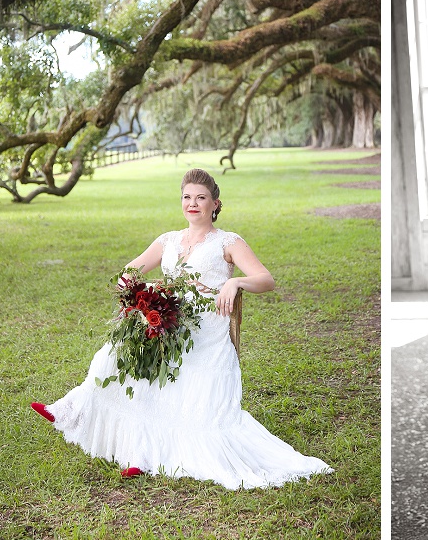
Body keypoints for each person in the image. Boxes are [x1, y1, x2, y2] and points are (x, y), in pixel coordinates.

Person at [31, 168, 333, 489]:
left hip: (206, 330)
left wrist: (235, 281)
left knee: (184, 393)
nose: (193, 204)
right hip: (170, 321)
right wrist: (138, 291)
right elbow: (130, 270)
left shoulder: (228, 242)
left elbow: (266, 279)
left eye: (201, 198)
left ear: (215, 204)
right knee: (119, 352)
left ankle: (146, 457)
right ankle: (75, 413)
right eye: (187, 197)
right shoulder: (168, 240)